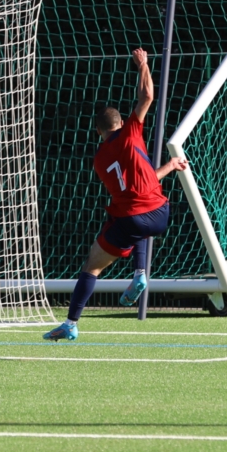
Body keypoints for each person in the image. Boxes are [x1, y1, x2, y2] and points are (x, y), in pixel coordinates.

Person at [44, 48, 188, 342]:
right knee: (142, 218)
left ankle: (71, 323)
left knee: (92, 265)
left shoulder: (99, 160)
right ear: (121, 124)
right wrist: (143, 65)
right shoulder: (131, 133)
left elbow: (132, 191)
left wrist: (168, 166)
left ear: (99, 133)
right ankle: (139, 273)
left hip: (134, 218)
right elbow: (147, 96)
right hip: (160, 214)